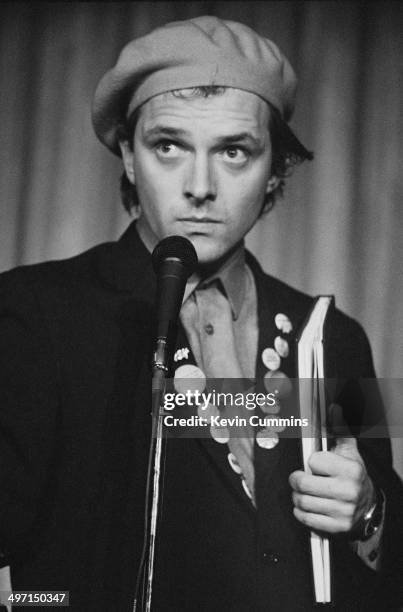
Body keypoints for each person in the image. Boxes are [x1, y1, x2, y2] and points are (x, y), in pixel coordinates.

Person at [0, 15, 402, 612]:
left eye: (235, 152)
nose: (200, 185)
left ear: (274, 173)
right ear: (130, 159)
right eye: (169, 146)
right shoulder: (34, 312)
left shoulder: (335, 337)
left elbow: (387, 567)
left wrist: (368, 511)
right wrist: (51, 603)